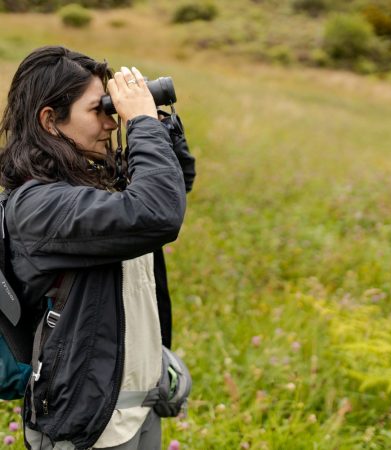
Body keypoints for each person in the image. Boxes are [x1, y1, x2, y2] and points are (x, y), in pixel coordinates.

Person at [0, 45, 195, 450]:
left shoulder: (90, 187)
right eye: (99, 109)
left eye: (113, 108)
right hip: (90, 427)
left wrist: (157, 124)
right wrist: (138, 119)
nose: (111, 122)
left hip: (134, 409)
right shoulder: (39, 206)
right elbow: (158, 211)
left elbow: (173, 187)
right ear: (50, 121)